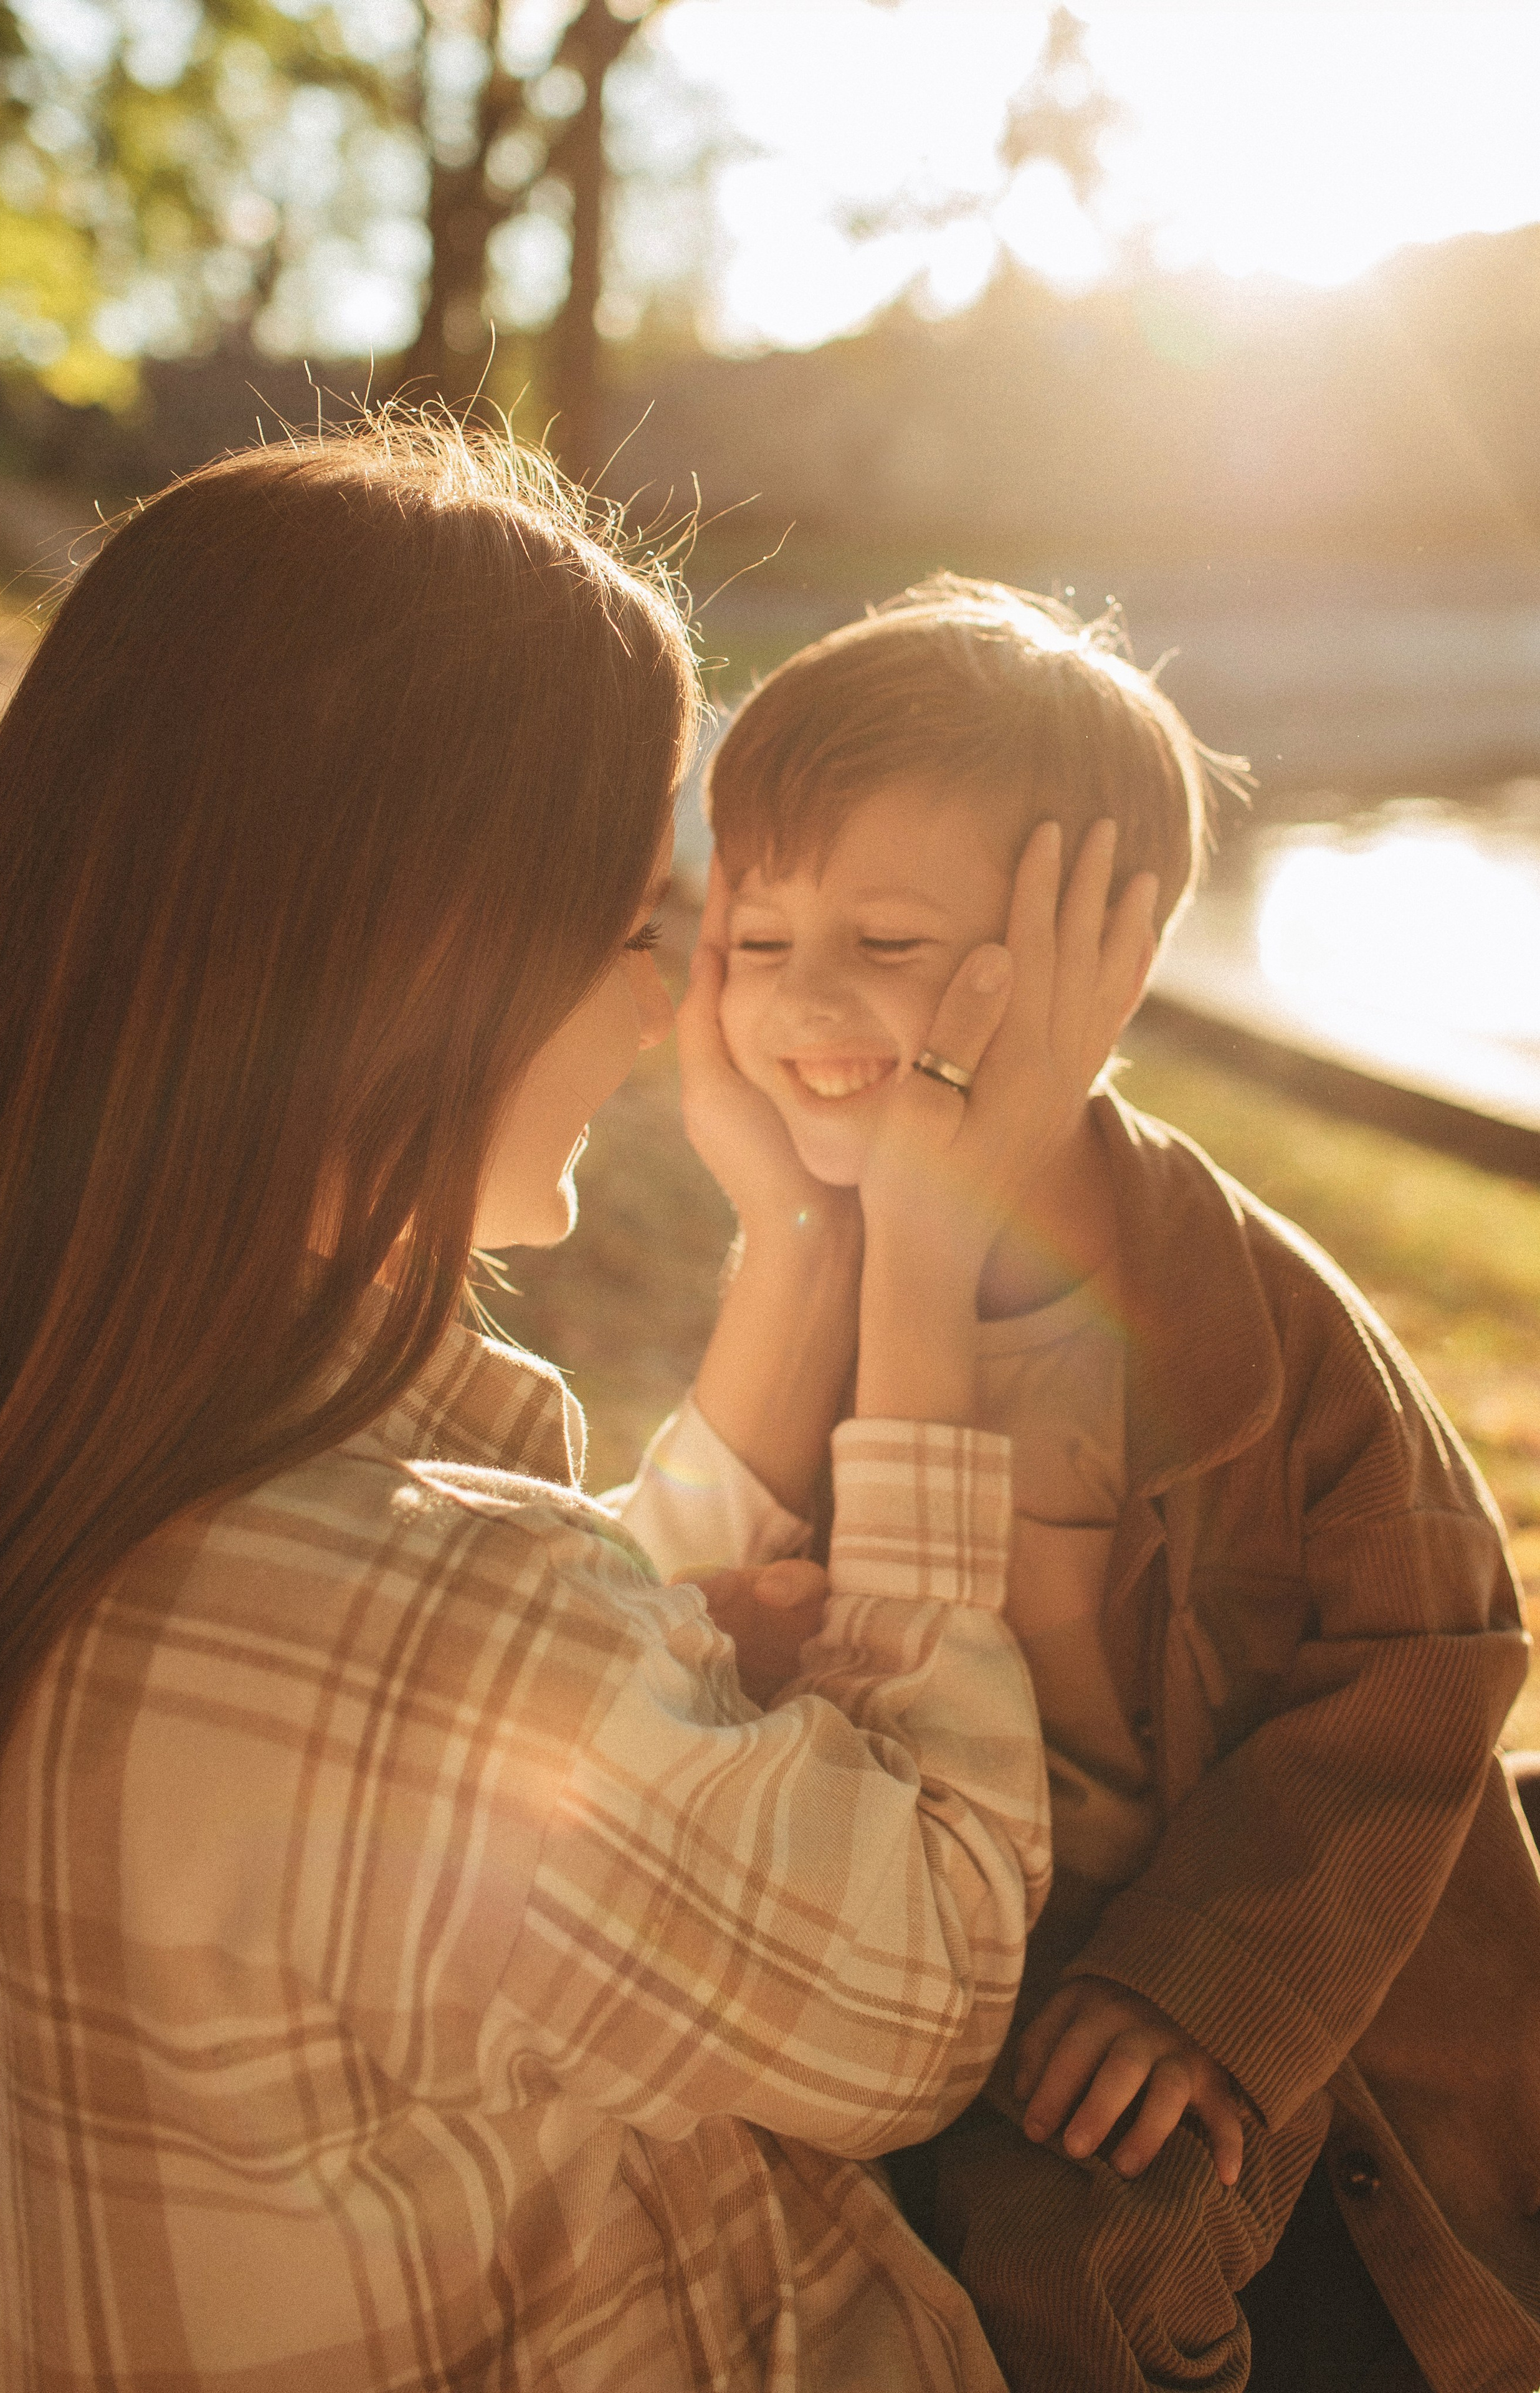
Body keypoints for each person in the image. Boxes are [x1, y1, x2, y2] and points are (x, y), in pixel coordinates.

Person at [0, 428, 1155, 2391]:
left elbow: (530, 1752)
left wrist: (801, 1252)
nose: (664, 999)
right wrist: (935, 1243)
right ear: (424, 957)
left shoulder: (65, 1456)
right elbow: (929, 1993)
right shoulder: (423, 1628)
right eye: (624, 924)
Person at [627, 576, 1540, 2393]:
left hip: (1227, 2006)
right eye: (761, 935)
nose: (804, 998)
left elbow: (1432, 1651)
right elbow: (674, 1628)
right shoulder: (817, 1276)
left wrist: (1209, 1980)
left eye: (889, 941)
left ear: (1089, 969)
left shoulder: (1242, 1315)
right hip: (951, 1981)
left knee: (1073, 2271)